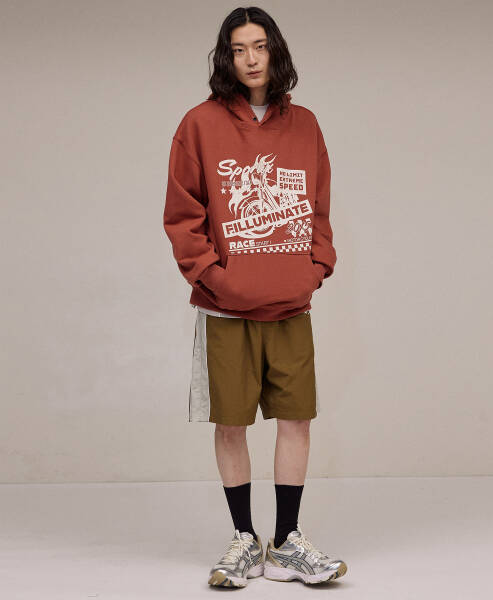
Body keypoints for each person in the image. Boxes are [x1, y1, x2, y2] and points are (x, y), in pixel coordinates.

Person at [163, 5, 347, 588]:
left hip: (291, 304)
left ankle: (287, 542)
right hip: (224, 309)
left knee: (297, 420)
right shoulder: (199, 123)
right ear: (226, 56)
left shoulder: (305, 124)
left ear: (275, 51)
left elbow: (319, 207)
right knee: (231, 424)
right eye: (239, 48)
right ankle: (244, 539)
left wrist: (315, 268)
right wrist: (216, 278)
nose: (250, 59)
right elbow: (182, 215)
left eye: (260, 46)